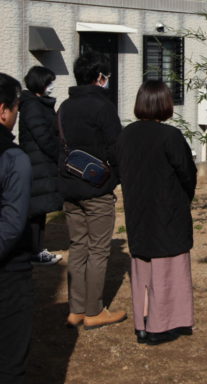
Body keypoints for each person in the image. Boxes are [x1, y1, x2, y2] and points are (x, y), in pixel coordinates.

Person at [116, 81, 197, 345]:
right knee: (168, 269)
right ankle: (161, 326)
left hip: (138, 211)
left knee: (143, 270)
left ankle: (143, 322)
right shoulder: (170, 136)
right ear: (164, 104)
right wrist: (186, 197)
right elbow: (188, 173)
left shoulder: (126, 134)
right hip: (167, 211)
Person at [58, 52, 126, 329]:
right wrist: (115, 175)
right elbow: (116, 146)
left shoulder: (64, 107)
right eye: (106, 76)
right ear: (100, 77)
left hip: (69, 186)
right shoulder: (103, 107)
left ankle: (76, 309)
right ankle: (94, 310)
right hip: (97, 187)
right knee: (98, 250)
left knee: (78, 247)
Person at [0, 73, 33, 383]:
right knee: (9, 362)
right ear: (3, 111)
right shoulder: (13, 158)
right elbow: (11, 223)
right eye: (15, 108)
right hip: (9, 273)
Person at [19, 66, 64, 266]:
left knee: (40, 209)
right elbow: (43, 136)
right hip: (38, 163)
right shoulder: (32, 106)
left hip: (40, 163)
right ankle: (34, 250)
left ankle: (37, 249)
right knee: (36, 210)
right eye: (49, 82)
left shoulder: (37, 103)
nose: (52, 86)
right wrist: (58, 154)